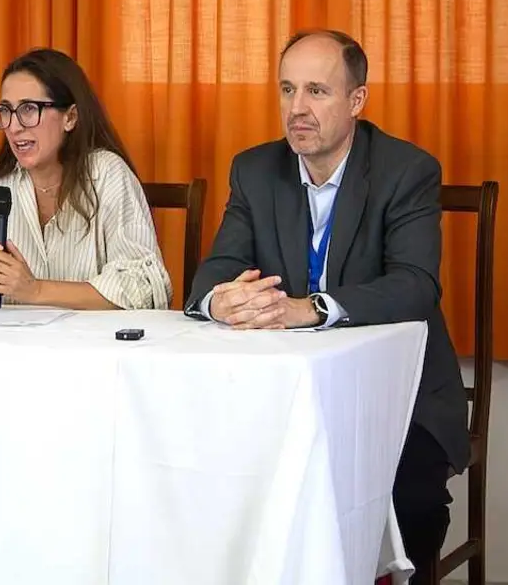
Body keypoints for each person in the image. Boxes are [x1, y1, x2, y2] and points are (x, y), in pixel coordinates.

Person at [184, 29, 468, 582]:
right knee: (209, 481)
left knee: (409, 504)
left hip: (399, 398)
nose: (298, 109)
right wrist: (222, 301)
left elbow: (415, 285)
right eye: (288, 90)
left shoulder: (405, 170)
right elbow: (214, 271)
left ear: (356, 101)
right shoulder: (254, 169)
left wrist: (312, 308)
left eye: (317, 91)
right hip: (286, 397)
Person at [0, 48, 171, 309]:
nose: (14, 127)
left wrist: (34, 291)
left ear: (70, 117)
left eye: (28, 109)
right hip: (8, 346)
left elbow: (143, 286)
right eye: (6, 111)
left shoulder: (107, 174)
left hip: (90, 347)